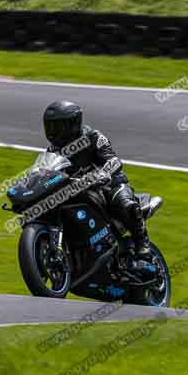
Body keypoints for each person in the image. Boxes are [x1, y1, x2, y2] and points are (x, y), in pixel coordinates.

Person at [42, 100, 152, 260]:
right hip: (79, 192)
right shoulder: (52, 151)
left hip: (108, 185)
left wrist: (100, 174)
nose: (53, 131)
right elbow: (46, 173)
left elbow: (114, 161)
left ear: (72, 124)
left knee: (125, 204)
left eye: (57, 127)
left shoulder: (92, 137)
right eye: (50, 126)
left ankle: (142, 242)